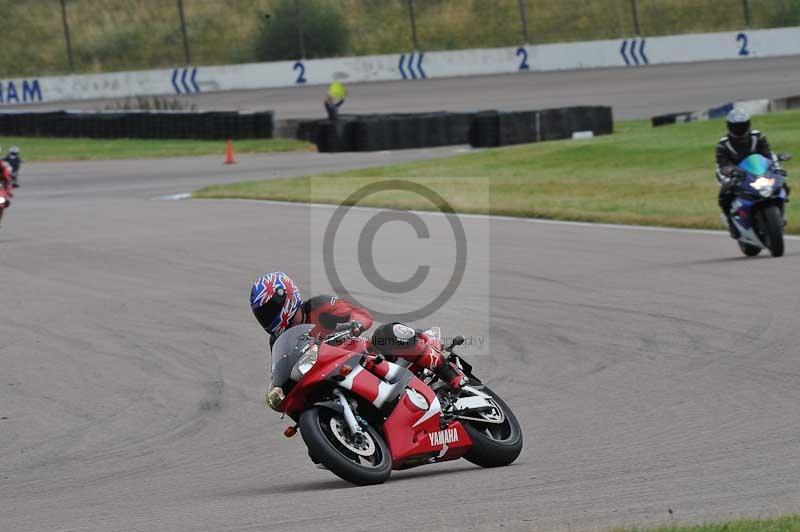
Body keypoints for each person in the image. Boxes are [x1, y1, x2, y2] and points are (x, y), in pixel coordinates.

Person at [249, 271, 466, 390]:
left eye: (268, 311)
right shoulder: (277, 340)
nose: (266, 318)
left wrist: (353, 325)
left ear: (286, 299)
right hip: (329, 376)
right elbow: (282, 371)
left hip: (362, 356)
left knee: (386, 333)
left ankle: (452, 375)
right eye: (262, 314)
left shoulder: (319, 306)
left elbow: (362, 316)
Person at [715, 109, 789, 238]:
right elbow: (723, 164)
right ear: (730, 127)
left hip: (757, 169)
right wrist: (730, 171)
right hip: (734, 173)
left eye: (742, 125)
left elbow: (768, 154)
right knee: (725, 193)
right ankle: (731, 223)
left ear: (748, 124)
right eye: (737, 126)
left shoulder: (758, 136)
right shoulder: (723, 144)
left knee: (782, 183)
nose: (740, 129)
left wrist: (777, 167)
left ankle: (780, 214)